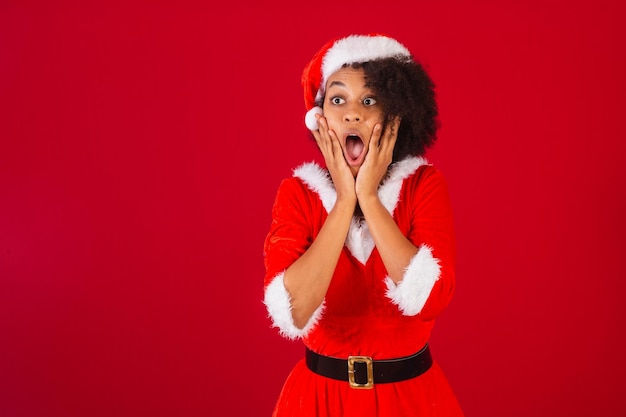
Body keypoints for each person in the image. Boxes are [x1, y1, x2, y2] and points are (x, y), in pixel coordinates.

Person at [263, 33, 463, 417]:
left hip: (412, 401)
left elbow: (431, 298)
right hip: (317, 402)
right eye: (338, 99)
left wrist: (368, 198)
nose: (352, 113)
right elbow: (295, 312)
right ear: (321, 120)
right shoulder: (297, 194)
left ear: (396, 114)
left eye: (369, 100)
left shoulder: (425, 186)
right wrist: (344, 203)